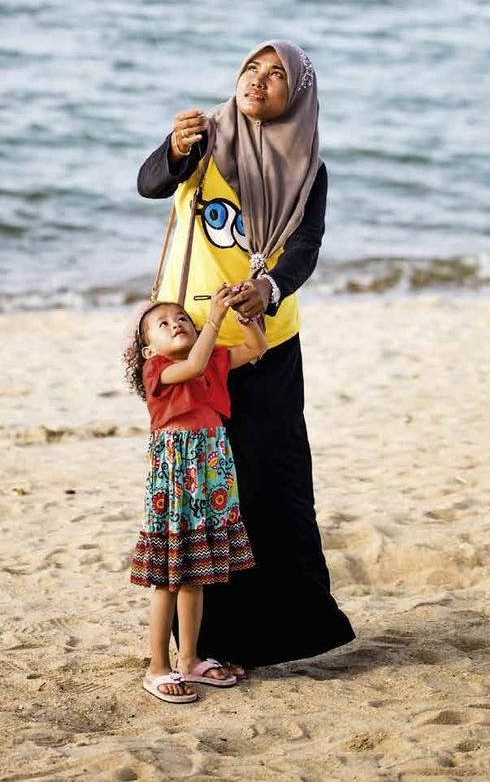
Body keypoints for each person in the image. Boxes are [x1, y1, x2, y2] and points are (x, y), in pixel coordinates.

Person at [137, 39, 355, 674]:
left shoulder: (309, 168)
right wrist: (175, 149)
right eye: (252, 68)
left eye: (277, 74)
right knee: (202, 496)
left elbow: (305, 248)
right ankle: (204, 648)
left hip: (266, 347)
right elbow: (149, 184)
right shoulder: (203, 137)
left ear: (299, 96)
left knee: (271, 488)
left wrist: (268, 288)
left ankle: (287, 637)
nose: (259, 80)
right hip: (191, 347)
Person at [124, 288, 268, 703]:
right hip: (175, 472)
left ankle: (189, 659)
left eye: (182, 318)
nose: (176, 324)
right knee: (168, 577)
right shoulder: (158, 372)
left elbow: (256, 347)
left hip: (209, 464)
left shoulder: (211, 361)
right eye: (163, 324)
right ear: (149, 350)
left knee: (196, 573)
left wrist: (244, 316)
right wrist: (214, 319)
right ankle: (157, 666)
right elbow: (193, 363)